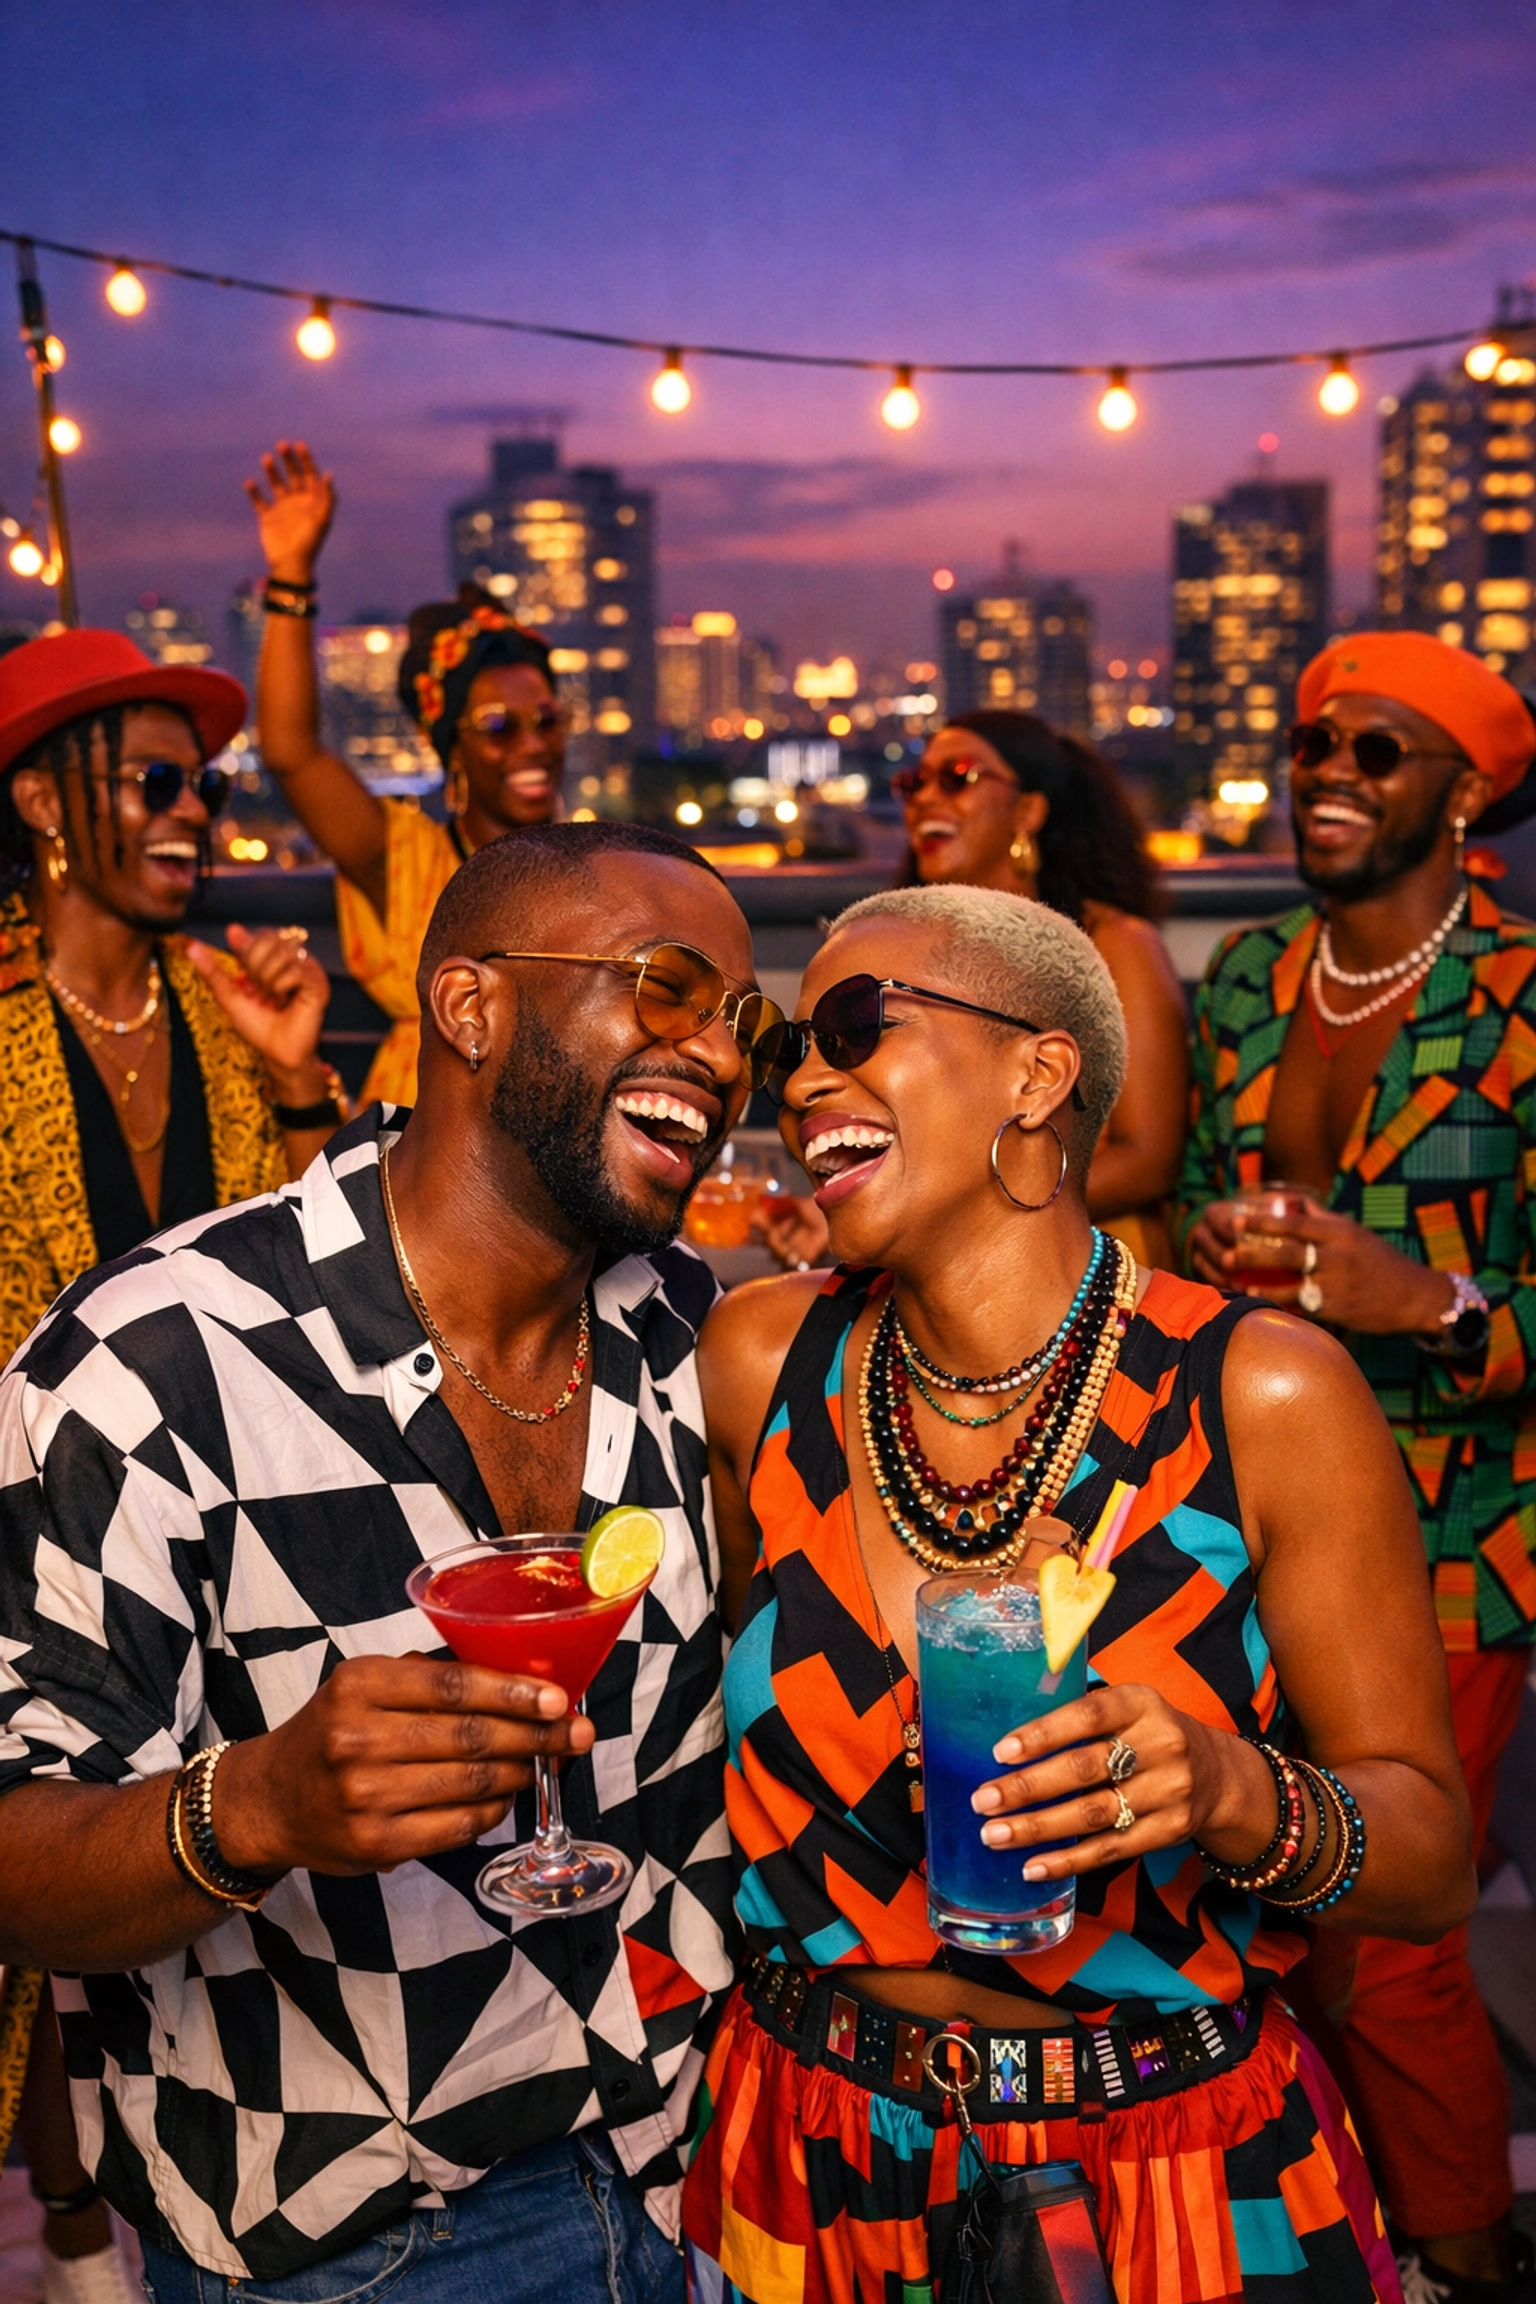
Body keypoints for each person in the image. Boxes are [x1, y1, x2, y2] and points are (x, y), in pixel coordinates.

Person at [0, 822, 789, 2304]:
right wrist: (256, 1809)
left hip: (695, 2173)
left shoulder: (706, 1340)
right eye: (669, 988)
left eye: (746, 1021)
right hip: (354, 2249)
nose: (721, 1054)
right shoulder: (152, 1368)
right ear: (470, 1006)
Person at [685, 880, 1472, 2304]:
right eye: (791, 1042)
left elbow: (1425, 1863)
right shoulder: (758, 1363)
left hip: (1168, 2175)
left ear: (1038, 1074)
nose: (805, 1077)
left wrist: (1235, 1794)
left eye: (858, 1023)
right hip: (810, 2155)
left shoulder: (1264, 1393)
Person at [1178, 631, 1536, 2304]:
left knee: (1389, 1945)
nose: (1325, 773)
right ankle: (1337, 2241)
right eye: (1313, 743)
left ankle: (1467, 2255)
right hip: (1256, 1513)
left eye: (1374, 752)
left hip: (1461, 1534)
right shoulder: (1248, 976)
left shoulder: (1526, 996)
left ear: (1465, 794)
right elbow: (1185, 1203)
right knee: (1265, 1918)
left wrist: (1438, 1301)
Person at [0, 626, 342, 2304]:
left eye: (202, 781)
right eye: (153, 779)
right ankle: (74, 2236)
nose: (195, 809)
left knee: (193, 1879)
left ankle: (170, 2211)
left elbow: (294, 1284)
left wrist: (290, 1086)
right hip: (16, 1539)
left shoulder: (215, 1015)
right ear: (42, 803)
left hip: (205, 1542)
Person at [761, 710, 1187, 1270]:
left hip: (1086, 1264)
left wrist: (945, 1208)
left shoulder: (1116, 945)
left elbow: (1150, 1160)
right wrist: (845, 1197)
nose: (925, 798)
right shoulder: (899, 953)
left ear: (1029, 810)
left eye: (957, 776)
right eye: (913, 783)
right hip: (941, 1267)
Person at [245, 439, 565, 1108]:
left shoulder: (590, 876)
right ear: (453, 751)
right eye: (500, 728)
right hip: (413, 1154)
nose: (533, 745)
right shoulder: (407, 860)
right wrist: (292, 578)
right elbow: (291, 752)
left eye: (547, 719)